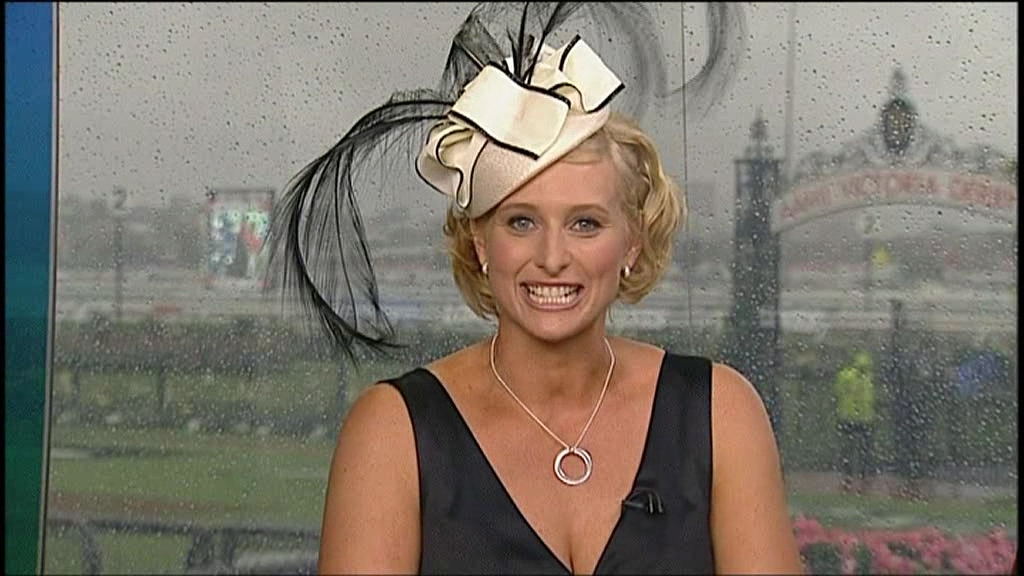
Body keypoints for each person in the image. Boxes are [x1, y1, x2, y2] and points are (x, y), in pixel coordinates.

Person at [266, 3, 803, 574]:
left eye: (585, 223)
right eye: (521, 221)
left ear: (632, 244)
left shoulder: (721, 414)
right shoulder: (392, 433)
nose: (551, 257)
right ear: (479, 242)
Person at [833, 351, 877, 494]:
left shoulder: (847, 375)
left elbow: (838, 392)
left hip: (851, 416)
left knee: (852, 449)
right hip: (860, 417)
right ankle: (858, 476)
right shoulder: (864, 378)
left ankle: (851, 476)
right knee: (859, 449)